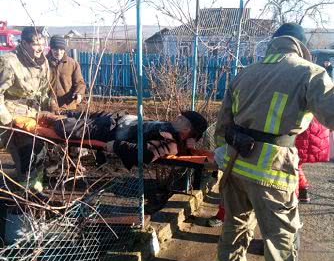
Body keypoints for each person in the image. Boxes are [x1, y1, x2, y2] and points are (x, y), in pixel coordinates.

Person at [213, 22, 334, 261]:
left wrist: (222, 155)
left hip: (235, 164)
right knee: (281, 233)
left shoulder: (244, 74)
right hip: (272, 170)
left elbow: (222, 125)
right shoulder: (310, 73)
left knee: (236, 220)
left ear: (273, 43)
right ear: (301, 47)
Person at [44, 109, 208, 169]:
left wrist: (115, 145)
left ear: (186, 130)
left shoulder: (170, 142)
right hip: (117, 119)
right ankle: (54, 114)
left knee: (65, 128)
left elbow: (146, 154)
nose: (176, 118)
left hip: (110, 131)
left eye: (181, 119)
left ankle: (39, 117)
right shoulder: (172, 130)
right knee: (76, 113)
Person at [0, 26, 50, 192]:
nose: (40, 48)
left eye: (42, 43)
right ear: (23, 43)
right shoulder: (9, 62)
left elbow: (44, 92)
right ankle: (24, 201)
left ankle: (36, 191)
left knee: (41, 153)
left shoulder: (43, 63)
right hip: (12, 115)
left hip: (33, 115)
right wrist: (7, 121)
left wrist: (50, 110)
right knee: (25, 157)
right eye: (35, 44)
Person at [295, 117, 330, 203]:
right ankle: (303, 191)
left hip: (303, 130)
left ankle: (298, 193)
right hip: (315, 131)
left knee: (293, 164)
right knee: (296, 164)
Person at [47, 35, 86, 112]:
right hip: (48, 107)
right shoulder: (44, 63)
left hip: (67, 107)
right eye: (55, 49)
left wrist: (78, 93)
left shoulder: (72, 63)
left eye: (61, 49)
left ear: (64, 49)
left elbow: (79, 83)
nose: (58, 52)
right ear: (51, 48)